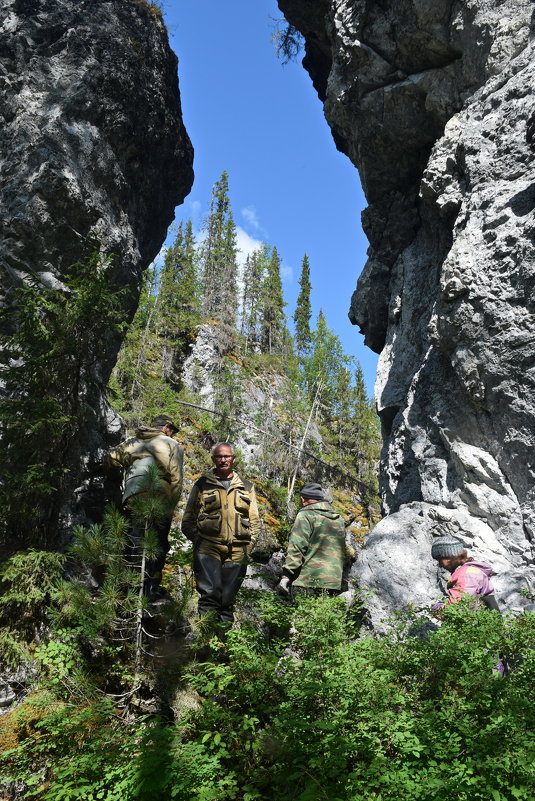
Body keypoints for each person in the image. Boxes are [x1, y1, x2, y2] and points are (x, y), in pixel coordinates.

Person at [107, 414, 183, 601]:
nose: (172, 433)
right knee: (157, 545)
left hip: (134, 496)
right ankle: (151, 589)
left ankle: (130, 589)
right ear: (166, 427)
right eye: (172, 429)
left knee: (134, 542)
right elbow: (176, 478)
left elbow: (110, 458)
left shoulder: (133, 441)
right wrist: (171, 505)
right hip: (159, 497)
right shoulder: (172, 444)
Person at [181, 442, 259, 623]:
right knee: (209, 595)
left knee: (227, 599)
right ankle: (207, 641)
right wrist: (199, 541)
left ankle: (223, 645)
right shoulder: (202, 484)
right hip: (208, 548)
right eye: (219, 456)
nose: (223, 460)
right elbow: (188, 519)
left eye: (227, 456)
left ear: (234, 459)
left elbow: (254, 518)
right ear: (213, 459)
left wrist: (251, 542)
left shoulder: (247, 486)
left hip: (238, 550)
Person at [276, 482, 345, 598]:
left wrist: (286, 575)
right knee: (326, 615)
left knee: (301, 615)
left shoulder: (305, 514)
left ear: (303, 499)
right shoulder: (338, 519)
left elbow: (297, 546)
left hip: (307, 581)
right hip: (333, 583)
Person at [430, 535, 501, 612]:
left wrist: (436, 608)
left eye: (440, 560)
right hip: (489, 621)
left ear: (449, 557)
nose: (440, 565)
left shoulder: (464, 575)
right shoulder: (471, 570)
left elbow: (459, 608)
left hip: (478, 623)